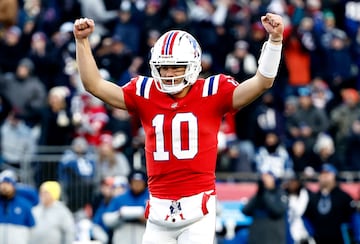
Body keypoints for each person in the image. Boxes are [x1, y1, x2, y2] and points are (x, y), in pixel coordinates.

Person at [73, 12, 284, 243]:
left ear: (193, 65)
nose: (169, 74)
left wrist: (274, 41)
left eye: (176, 67)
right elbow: (93, 84)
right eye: (164, 68)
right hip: (158, 211)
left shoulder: (212, 91)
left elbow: (262, 82)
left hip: (197, 209)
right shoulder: (146, 92)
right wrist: (82, 42)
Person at [304, 164, 356, 244]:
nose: (324, 177)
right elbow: (307, 217)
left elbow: (353, 217)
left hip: (339, 240)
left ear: (334, 175)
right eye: (322, 174)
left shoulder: (343, 196)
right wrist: (310, 234)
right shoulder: (313, 197)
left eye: (327, 174)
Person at [103, 171, 149, 244]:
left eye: (140, 182)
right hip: (123, 236)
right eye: (134, 182)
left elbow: (159, 218)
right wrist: (119, 215)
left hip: (143, 236)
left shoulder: (150, 198)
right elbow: (107, 220)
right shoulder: (120, 198)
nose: (137, 185)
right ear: (130, 183)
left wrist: (146, 219)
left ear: (144, 184)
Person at [242, 171, 288, 244]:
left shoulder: (280, 194)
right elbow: (245, 211)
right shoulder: (258, 196)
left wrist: (265, 193)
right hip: (256, 239)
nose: (264, 182)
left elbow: (278, 211)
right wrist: (259, 194)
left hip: (274, 239)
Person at [0, 169, 35, 244]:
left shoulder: (24, 205)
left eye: (7, 183)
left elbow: (32, 229)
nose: (4, 187)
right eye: (2, 183)